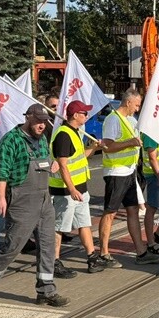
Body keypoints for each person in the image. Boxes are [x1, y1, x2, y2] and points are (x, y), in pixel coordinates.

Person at [0, 104, 69, 307]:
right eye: (39, 121)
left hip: (43, 199)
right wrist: (0, 197)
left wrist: (54, 165)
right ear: (28, 117)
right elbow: (2, 169)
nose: (42, 125)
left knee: (47, 246)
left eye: (45, 122)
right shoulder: (12, 139)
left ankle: (46, 290)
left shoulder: (42, 139)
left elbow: (44, 163)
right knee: (12, 247)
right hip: (21, 200)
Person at [97, 89, 158, 267]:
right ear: (128, 102)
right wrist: (130, 143)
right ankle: (103, 253)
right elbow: (107, 146)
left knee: (132, 211)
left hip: (130, 172)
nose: (137, 109)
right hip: (116, 172)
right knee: (110, 212)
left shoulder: (131, 120)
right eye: (137, 105)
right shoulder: (113, 119)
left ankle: (141, 252)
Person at [49, 100, 105, 277]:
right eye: (84, 113)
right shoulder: (64, 135)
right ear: (75, 115)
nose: (87, 116)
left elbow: (79, 158)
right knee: (59, 227)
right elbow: (63, 165)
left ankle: (92, 257)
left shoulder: (75, 133)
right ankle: (54, 262)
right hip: (66, 192)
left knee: (84, 223)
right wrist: (72, 189)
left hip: (81, 189)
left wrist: (94, 148)